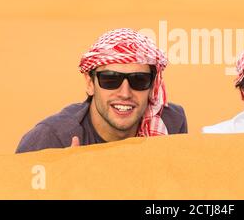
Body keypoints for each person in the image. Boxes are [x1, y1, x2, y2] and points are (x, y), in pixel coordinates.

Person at [16, 28, 187, 153]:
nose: (125, 93)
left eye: (139, 80)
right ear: (90, 83)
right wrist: (63, 181)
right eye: (110, 79)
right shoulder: (52, 138)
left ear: (152, 87)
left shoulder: (171, 124)